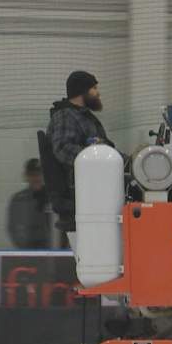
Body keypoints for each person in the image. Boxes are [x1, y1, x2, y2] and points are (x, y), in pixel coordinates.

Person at [46, 71, 116, 235]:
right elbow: (63, 148)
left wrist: (129, 161)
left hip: (95, 186)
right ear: (82, 91)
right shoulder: (65, 116)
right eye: (94, 88)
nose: (98, 93)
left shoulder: (84, 117)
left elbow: (104, 149)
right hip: (82, 191)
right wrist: (95, 159)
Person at [7, 158, 52, 249]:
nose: (36, 178)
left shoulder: (53, 198)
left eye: (39, 174)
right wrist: (24, 248)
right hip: (26, 251)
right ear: (26, 176)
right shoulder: (18, 199)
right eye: (32, 175)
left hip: (51, 251)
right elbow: (12, 228)